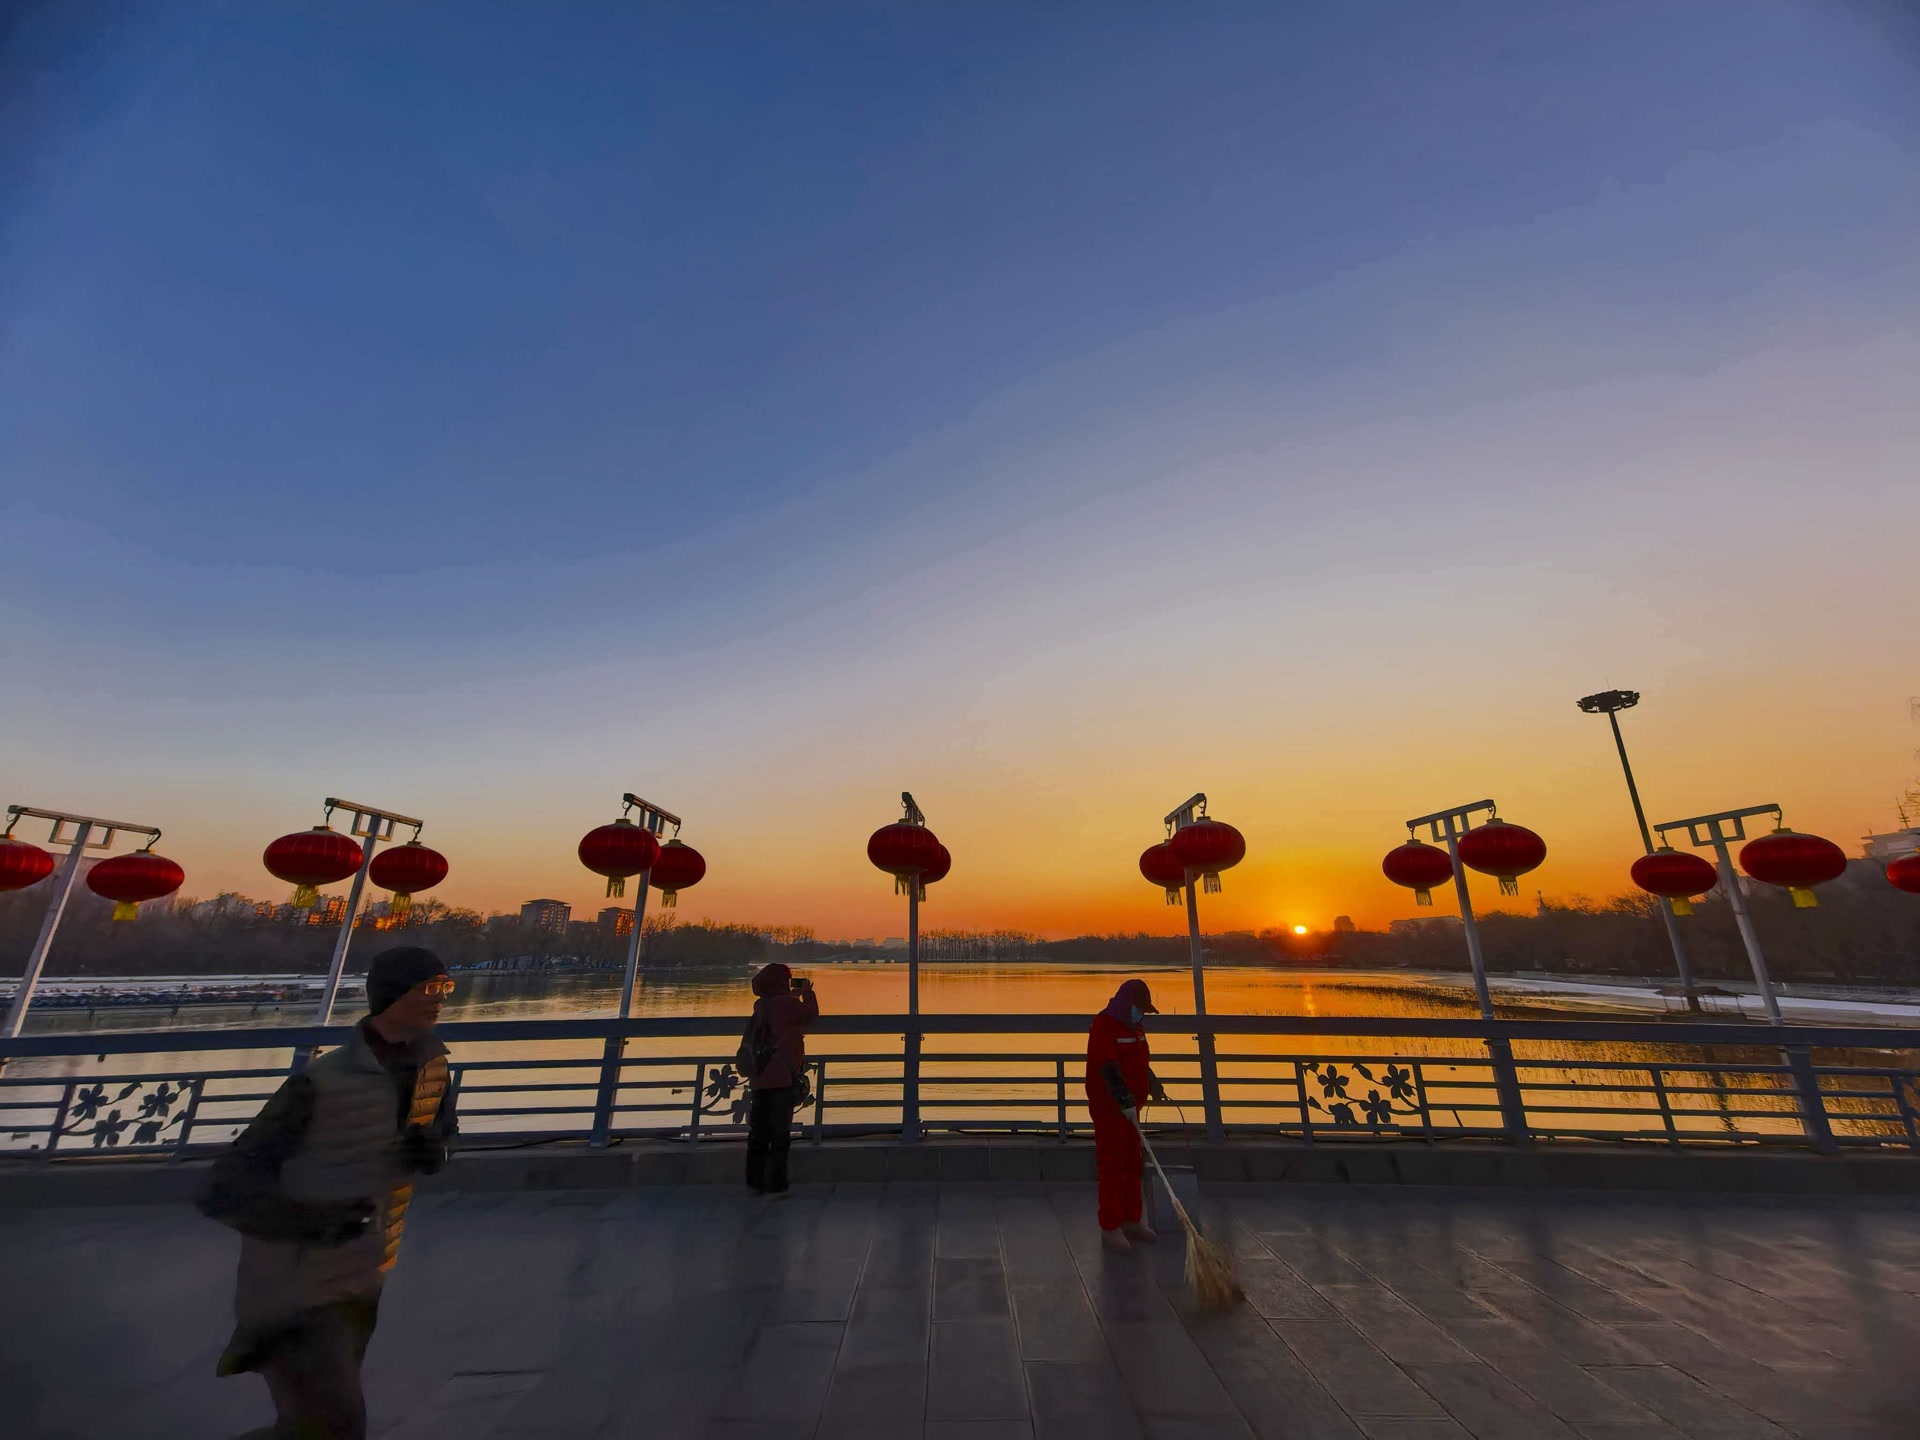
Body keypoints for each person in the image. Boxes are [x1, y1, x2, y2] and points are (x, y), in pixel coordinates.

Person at [198, 946, 458, 1439]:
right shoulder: (321, 1083)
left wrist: (434, 1153)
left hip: (365, 1274)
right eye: (429, 987)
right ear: (391, 994)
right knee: (335, 1425)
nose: (440, 998)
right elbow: (222, 1186)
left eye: (445, 987)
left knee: (309, 1425)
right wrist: (313, 1222)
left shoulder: (434, 1070)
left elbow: (445, 1139)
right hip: (295, 1286)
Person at [1085, 977, 1168, 1254]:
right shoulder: (1103, 1025)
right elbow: (1108, 1066)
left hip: (1133, 1108)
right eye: (1138, 1008)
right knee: (1112, 1165)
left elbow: (1139, 1060)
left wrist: (1152, 1082)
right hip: (1109, 1109)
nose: (1140, 1014)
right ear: (1126, 1004)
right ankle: (1110, 1225)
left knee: (1133, 1163)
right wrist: (1123, 1100)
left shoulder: (1136, 1026)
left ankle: (1132, 1219)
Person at [738, 961, 819, 1196]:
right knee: (780, 1133)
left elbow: (779, 1011)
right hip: (781, 1078)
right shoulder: (786, 1004)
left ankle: (755, 1182)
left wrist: (792, 996)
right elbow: (810, 1015)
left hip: (759, 1077)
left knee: (759, 1132)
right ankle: (777, 1183)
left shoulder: (762, 1005)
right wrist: (808, 993)